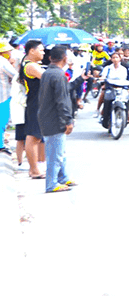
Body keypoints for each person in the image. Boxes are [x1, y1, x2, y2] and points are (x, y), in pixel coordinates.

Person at [38, 45, 75, 193]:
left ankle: (62, 177)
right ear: (65, 59)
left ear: (50, 58)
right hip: (55, 119)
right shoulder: (59, 75)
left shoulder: (48, 73)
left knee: (59, 150)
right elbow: (62, 101)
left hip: (46, 116)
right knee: (55, 153)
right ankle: (51, 184)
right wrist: (68, 120)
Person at [19, 39, 46, 179]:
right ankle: (34, 170)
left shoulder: (34, 65)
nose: (43, 52)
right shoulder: (31, 66)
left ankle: (34, 168)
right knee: (33, 137)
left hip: (37, 102)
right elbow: (47, 78)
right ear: (32, 51)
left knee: (35, 137)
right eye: (41, 50)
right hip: (35, 103)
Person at [0, 41, 17, 153]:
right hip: (3, 96)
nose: (10, 52)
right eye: (8, 50)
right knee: (2, 120)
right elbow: (15, 76)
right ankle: (1, 145)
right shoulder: (3, 62)